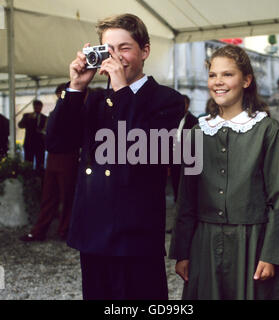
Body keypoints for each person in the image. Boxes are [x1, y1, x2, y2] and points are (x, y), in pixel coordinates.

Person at [46, 13, 184, 300]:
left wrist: (121, 90)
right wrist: (75, 88)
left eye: (125, 48)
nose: (117, 58)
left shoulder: (166, 99)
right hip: (93, 231)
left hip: (137, 235)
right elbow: (58, 141)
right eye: (109, 50)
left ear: (144, 51)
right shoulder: (93, 99)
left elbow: (143, 150)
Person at [169, 44, 279, 300]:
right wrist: (182, 251)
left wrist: (270, 254)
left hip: (252, 243)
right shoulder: (195, 134)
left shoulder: (268, 131)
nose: (218, 82)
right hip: (204, 243)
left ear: (246, 80)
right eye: (213, 75)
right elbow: (186, 200)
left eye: (227, 74)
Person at [20, 83, 79, 242]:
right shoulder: (56, 111)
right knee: (48, 196)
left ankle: (64, 231)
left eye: (63, 94)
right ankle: (40, 230)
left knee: (66, 197)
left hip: (67, 156)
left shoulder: (76, 110)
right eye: (60, 94)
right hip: (53, 156)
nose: (61, 97)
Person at [170, 94, 198, 202]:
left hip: (187, 157)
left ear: (188, 105)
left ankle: (186, 202)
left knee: (187, 183)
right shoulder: (173, 118)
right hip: (174, 156)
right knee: (175, 180)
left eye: (184, 103)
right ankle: (177, 200)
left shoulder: (194, 121)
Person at [18, 100, 47, 172]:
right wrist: (27, 119)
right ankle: (28, 178)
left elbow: (46, 130)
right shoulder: (27, 115)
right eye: (35, 106)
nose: (37, 108)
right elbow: (20, 125)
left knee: (40, 163)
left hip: (40, 144)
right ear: (33, 107)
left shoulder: (45, 117)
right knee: (28, 163)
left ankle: (39, 178)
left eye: (39, 106)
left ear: (41, 107)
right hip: (29, 143)